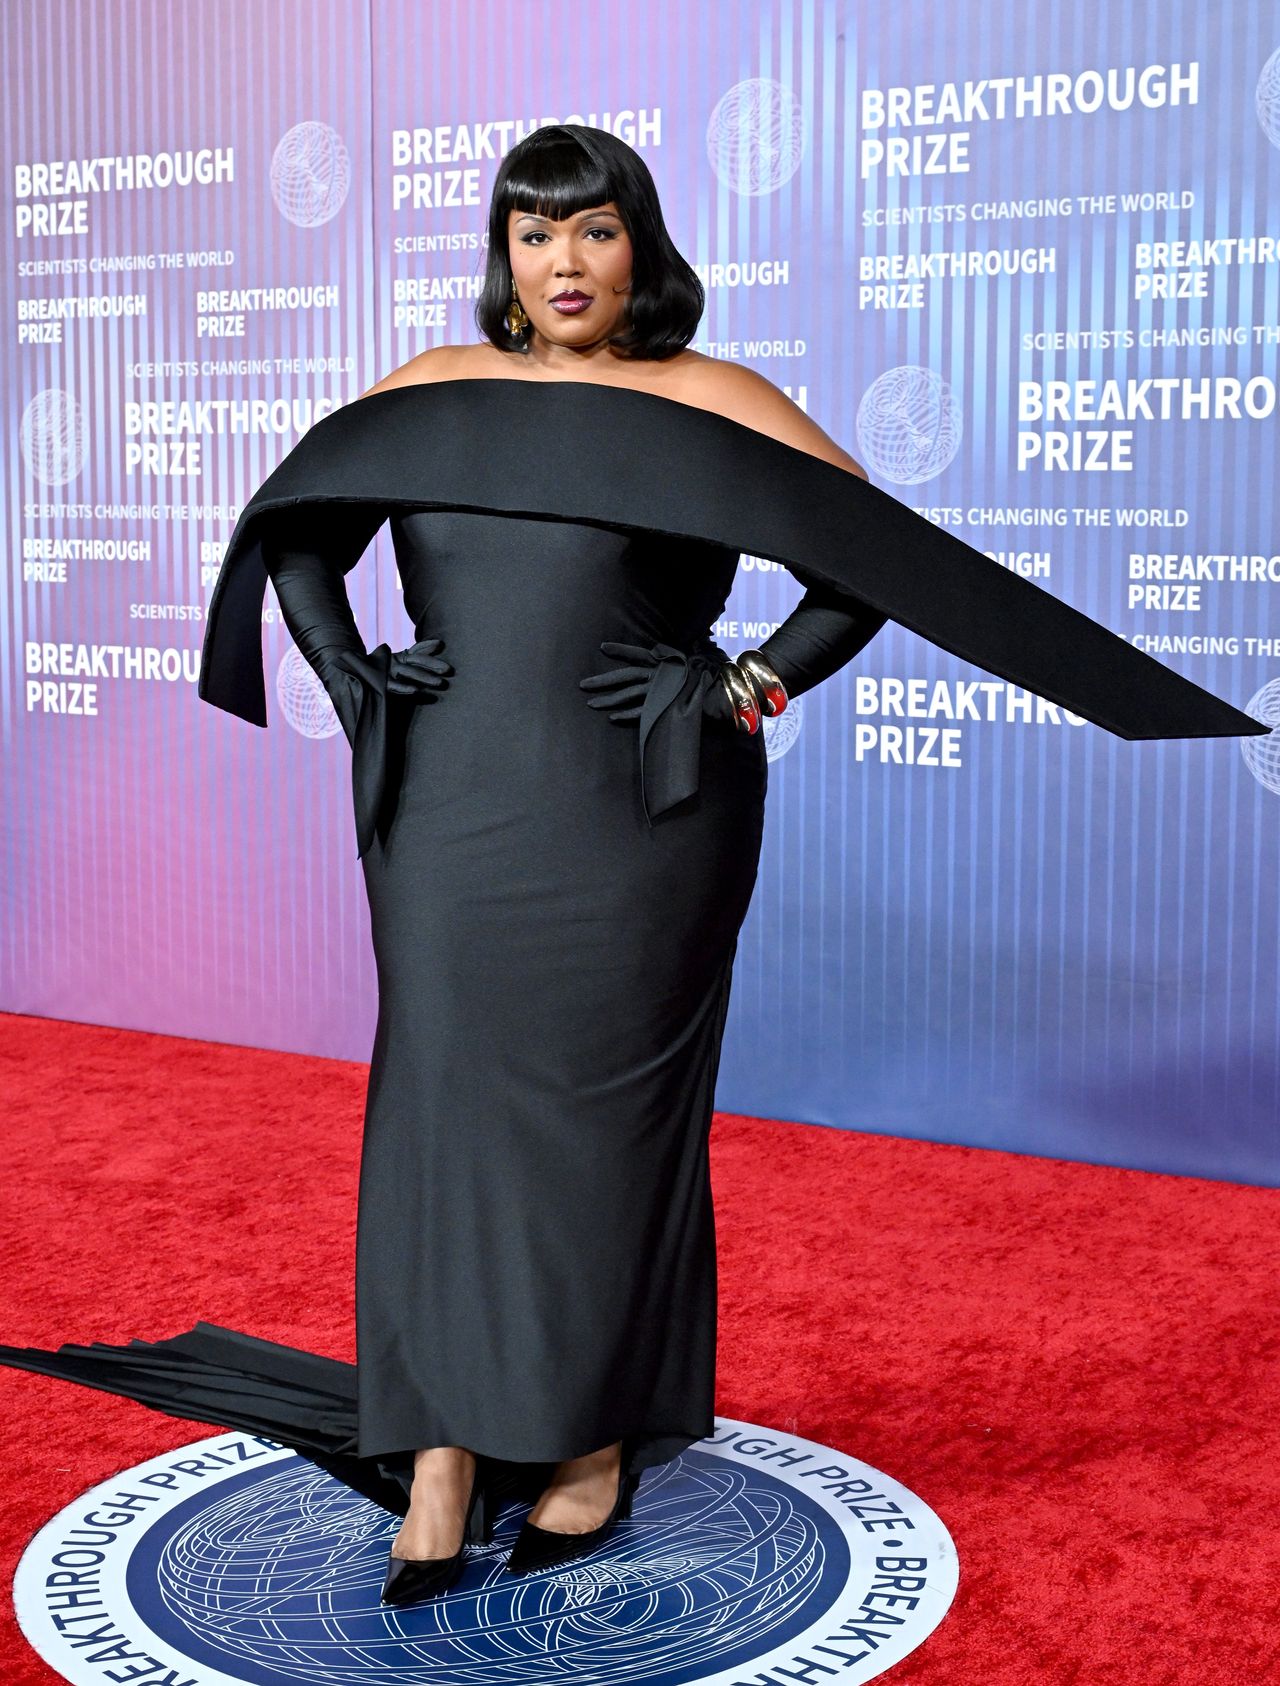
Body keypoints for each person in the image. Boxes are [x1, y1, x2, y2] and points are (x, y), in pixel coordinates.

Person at [0, 124, 1261, 1611]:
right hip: (448, 811)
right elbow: (292, 529)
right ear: (504, 256)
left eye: (594, 231)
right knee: (439, 1111)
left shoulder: (712, 399)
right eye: (535, 235)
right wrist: (350, 678)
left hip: (642, 819)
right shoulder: (430, 388)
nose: (564, 263)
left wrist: (750, 687)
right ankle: (445, 1451)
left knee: (608, 1124)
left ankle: (594, 1437)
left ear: (640, 246)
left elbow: (878, 565)